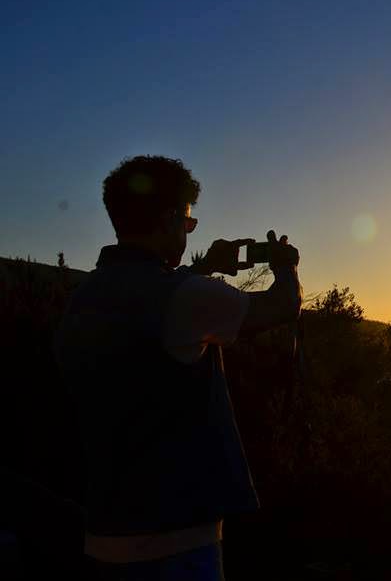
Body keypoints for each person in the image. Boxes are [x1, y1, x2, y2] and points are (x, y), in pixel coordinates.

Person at [54, 155, 302, 580]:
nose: (188, 233)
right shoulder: (181, 298)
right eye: (188, 224)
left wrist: (204, 267)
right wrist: (285, 265)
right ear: (169, 219)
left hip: (104, 534)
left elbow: (157, 305)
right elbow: (282, 307)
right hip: (176, 542)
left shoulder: (84, 299)